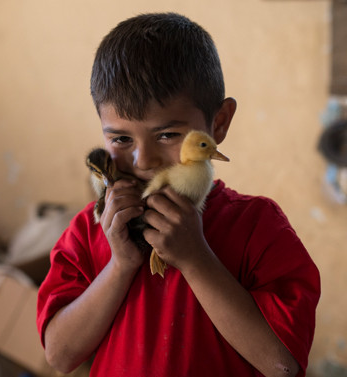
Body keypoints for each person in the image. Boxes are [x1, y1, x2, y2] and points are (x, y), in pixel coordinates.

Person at [36, 12, 320, 377]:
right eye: (121, 139)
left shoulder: (257, 227)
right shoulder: (90, 230)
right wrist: (119, 265)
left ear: (218, 123)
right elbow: (58, 356)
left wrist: (196, 258)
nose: (143, 161)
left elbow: (282, 366)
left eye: (167, 135)